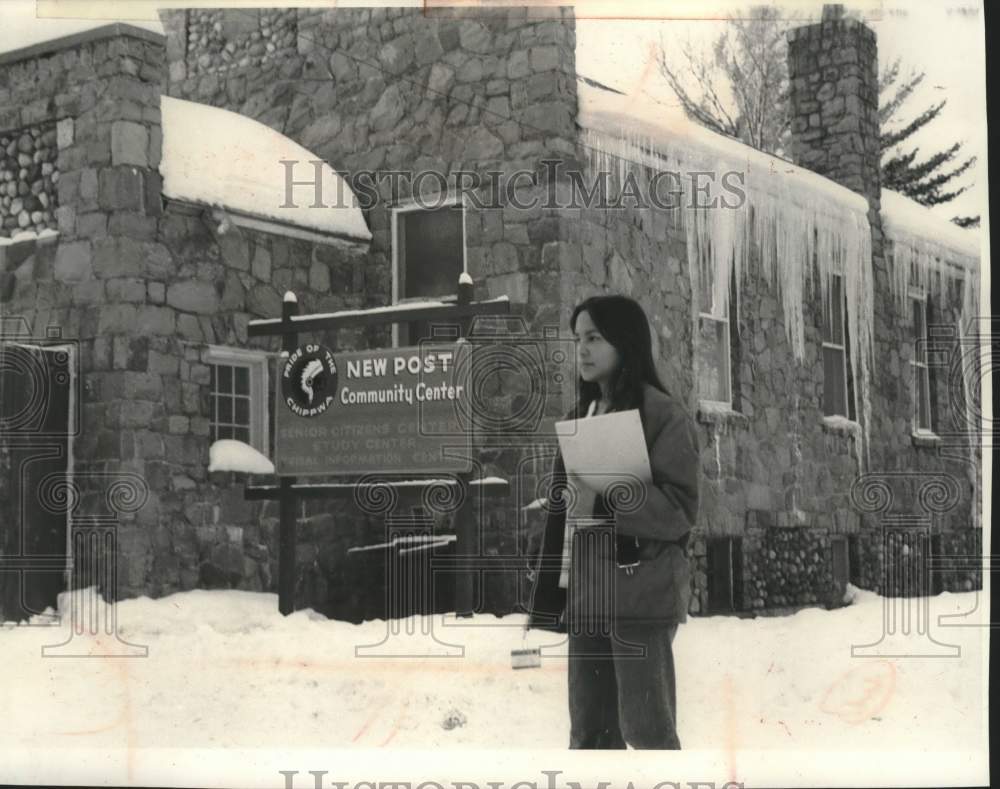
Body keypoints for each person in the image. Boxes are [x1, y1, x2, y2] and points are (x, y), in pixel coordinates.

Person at [526, 294, 701, 750]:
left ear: (625, 343)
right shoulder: (579, 417)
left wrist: (605, 505)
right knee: (589, 735)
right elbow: (568, 514)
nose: (581, 349)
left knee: (648, 733)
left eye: (594, 338)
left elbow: (679, 510)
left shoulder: (663, 416)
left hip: (641, 599)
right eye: (577, 339)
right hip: (589, 600)